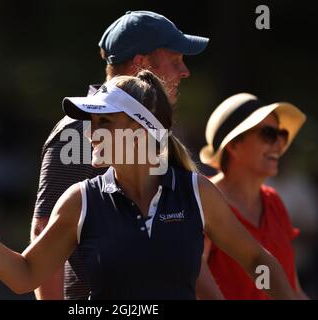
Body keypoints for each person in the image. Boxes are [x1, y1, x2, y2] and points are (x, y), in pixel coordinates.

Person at [0, 71, 295, 300]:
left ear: (142, 131)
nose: (91, 134)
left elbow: (256, 259)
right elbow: (26, 276)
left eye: (104, 122)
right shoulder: (80, 200)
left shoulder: (196, 192)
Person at [31, 10, 211, 299]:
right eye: (175, 61)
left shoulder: (150, 126)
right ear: (141, 65)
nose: (185, 71)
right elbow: (44, 232)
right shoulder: (79, 130)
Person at [198, 92, 309, 299]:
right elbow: (192, 283)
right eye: (268, 134)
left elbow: (294, 290)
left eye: (282, 135)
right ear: (233, 145)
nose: (279, 144)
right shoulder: (203, 201)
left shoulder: (274, 202)